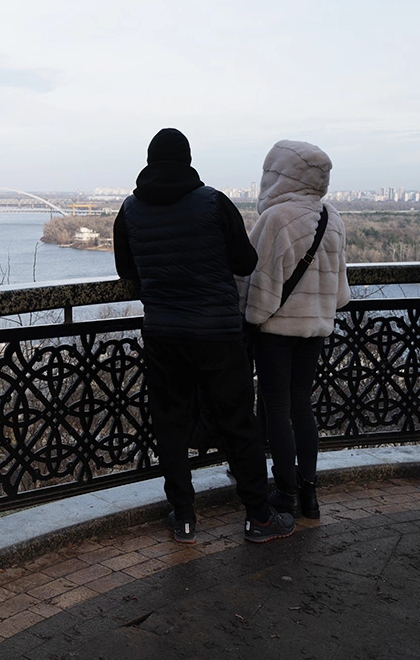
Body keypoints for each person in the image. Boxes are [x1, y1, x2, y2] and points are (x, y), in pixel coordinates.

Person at [114, 128, 294, 544]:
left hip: (163, 334)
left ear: (149, 161)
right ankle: (258, 516)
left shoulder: (129, 209)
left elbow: (128, 273)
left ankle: (184, 516)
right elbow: (245, 262)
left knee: (171, 423)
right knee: (238, 422)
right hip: (217, 333)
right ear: (188, 159)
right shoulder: (214, 202)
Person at [241, 140, 350, 519]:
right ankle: (310, 494)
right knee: (302, 406)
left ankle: (284, 491)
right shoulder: (332, 218)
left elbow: (257, 285)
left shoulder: (276, 219)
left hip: (276, 332)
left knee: (276, 407)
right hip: (316, 329)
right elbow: (340, 292)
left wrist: (251, 321)